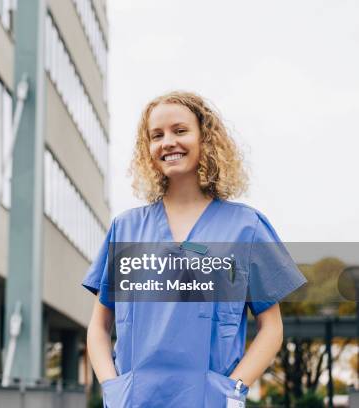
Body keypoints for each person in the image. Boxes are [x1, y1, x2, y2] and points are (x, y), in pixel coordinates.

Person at [81, 91, 307, 407]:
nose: (168, 141)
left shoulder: (246, 228)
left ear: (206, 139)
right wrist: (112, 387)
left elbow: (271, 328)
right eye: (156, 135)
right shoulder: (126, 229)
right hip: (134, 401)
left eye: (180, 130)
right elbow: (99, 325)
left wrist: (233, 391)